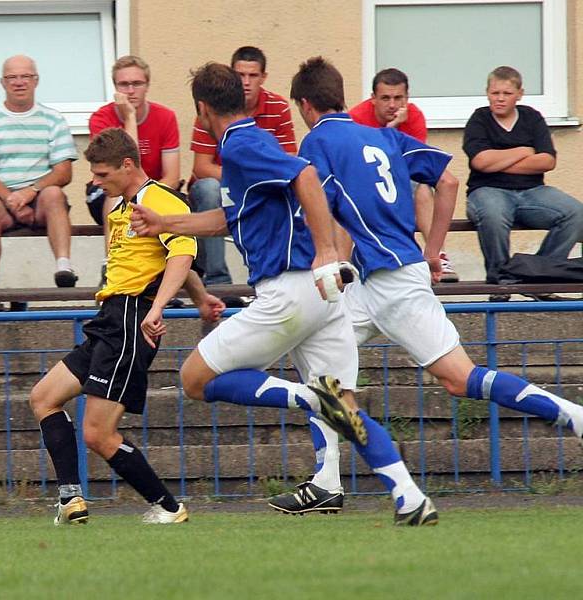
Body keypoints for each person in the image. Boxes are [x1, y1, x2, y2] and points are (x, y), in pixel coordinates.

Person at [267, 56, 583, 517]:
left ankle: (572, 415)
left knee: (458, 379)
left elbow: (324, 207)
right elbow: (449, 179)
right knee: (319, 362)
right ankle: (326, 482)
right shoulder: (385, 136)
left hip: (389, 281)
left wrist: (328, 260)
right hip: (386, 278)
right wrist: (433, 251)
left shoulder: (318, 141)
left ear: (305, 105)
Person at [131, 62, 440, 526]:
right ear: (245, 97)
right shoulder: (250, 142)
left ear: (201, 109)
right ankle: (410, 496)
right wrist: (166, 222)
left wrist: (324, 252)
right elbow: (232, 218)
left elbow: (306, 177)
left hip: (292, 289)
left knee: (194, 379)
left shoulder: (241, 142)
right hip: (321, 298)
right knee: (345, 407)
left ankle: (308, 398)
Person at [28, 127, 224, 525]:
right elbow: (172, 258)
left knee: (98, 434)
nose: (96, 182)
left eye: (102, 174)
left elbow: (180, 256)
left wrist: (159, 308)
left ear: (128, 165)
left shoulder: (162, 202)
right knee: (43, 397)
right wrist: (202, 298)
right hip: (109, 320)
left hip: (135, 319)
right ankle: (71, 500)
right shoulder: (122, 208)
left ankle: (169, 508)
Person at [0, 55, 79, 310]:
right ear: (2, 83)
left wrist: (30, 191)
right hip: (1, 199)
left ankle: (64, 267)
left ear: (36, 80)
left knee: (54, 195)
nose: (19, 82)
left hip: (40, 200)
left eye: (25, 76)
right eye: (12, 77)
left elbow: (64, 172)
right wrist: (11, 199)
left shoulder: (54, 119)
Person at [463, 65, 583, 301]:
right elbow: (480, 162)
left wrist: (499, 160)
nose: (499, 99)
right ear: (487, 93)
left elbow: (547, 161)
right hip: (487, 191)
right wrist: (523, 151)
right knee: (493, 215)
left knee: (575, 213)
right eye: (494, 93)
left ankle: (538, 277)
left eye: (506, 94)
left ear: (519, 94)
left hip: (532, 192)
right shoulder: (479, 119)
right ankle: (501, 281)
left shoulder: (531, 117)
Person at [188, 46, 297, 295]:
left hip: (290, 279)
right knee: (210, 188)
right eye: (240, 75)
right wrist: (162, 223)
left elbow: (298, 168)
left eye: (253, 76)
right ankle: (218, 280)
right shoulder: (215, 115)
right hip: (221, 188)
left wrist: (326, 251)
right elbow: (202, 167)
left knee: (271, 192)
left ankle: (273, 271)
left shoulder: (263, 119)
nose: (246, 82)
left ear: (264, 77)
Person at [349, 68, 458, 283]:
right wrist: (392, 128)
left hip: (402, 181)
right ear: (373, 99)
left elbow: (416, 163)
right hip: (365, 183)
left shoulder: (414, 115)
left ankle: (438, 256)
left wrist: (394, 128)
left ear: (407, 98)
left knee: (424, 187)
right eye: (385, 98)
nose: (392, 105)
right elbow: (360, 166)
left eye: (398, 98)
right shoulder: (356, 117)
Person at [87, 55, 181, 289]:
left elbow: (171, 175)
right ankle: (112, 265)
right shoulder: (102, 117)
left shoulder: (165, 117)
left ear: (147, 85)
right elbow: (125, 165)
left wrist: (148, 196)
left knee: (153, 204)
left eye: (137, 84)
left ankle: (161, 277)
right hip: (107, 188)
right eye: (123, 85)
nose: (130, 90)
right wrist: (129, 116)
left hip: (153, 189)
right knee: (120, 195)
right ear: (115, 87)